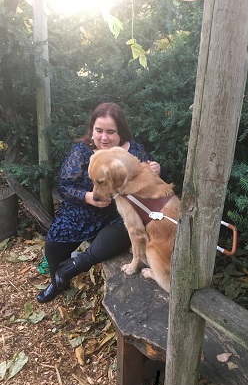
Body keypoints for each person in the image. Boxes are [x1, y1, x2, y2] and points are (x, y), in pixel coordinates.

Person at [37, 102, 161, 303]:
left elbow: (148, 184)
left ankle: (75, 265)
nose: (104, 137)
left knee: (125, 230)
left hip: (117, 215)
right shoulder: (82, 150)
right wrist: (87, 197)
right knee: (53, 244)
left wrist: (155, 170)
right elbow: (65, 185)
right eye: (99, 130)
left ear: (121, 132)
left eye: (111, 132)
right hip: (81, 211)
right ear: (92, 129)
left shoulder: (135, 151)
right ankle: (56, 281)